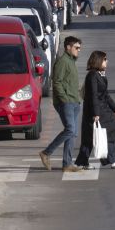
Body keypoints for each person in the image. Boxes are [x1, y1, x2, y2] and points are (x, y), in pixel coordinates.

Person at [75, 51, 115, 169]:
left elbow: (105, 94)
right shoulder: (93, 76)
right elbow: (93, 95)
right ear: (98, 61)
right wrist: (96, 113)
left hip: (99, 109)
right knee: (106, 134)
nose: (106, 61)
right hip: (97, 111)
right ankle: (114, 159)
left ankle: (82, 162)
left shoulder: (99, 74)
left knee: (89, 138)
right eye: (104, 59)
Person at [40, 36, 83, 172]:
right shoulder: (63, 61)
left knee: (73, 133)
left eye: (79, 48)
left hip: (74, 101)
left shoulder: (71, 61)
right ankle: (46, 153)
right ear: (68, 47)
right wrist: (64, 99)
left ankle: (67, 164)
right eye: (76, 48)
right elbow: (57, 82)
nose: (78, 51)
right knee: (70, 129)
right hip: (66, 102)